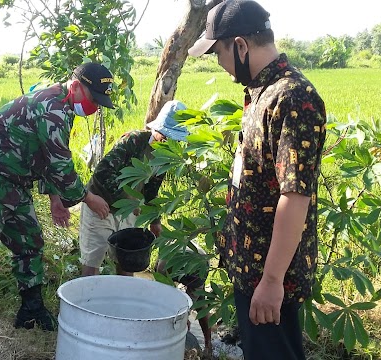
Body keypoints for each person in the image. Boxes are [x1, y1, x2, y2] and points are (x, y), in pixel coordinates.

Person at [188, 1, 327, 359]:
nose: (219, 62)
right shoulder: (260, 92)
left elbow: (295, 196)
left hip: (269, 274)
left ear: (240, 45)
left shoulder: (293, 98)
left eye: (218, 51)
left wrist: (271, 281)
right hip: (251, 267)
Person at [0, 62, 113, 360]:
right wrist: (88, 198)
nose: (94, 108)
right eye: (93, 98)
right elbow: (61, 165)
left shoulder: (63, 107)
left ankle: (31, 308)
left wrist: (54, 198)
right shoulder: (51, 108)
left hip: (14, 180)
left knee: (30, 242)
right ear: (76, 86)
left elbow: (44, 154)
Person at [79, 100, 188, 277]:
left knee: (128, 262)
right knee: (92, 263)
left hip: (128, 210)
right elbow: (103, 172)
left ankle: (125, 302)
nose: (169, 142)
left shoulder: (167, 157)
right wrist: (126, 202)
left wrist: (154, 219)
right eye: (166, 137)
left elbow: (152, 189)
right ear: (158, 130)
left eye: (175, 140)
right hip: (100, 204)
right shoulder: (134, 140)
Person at [154, 242, 213, 354]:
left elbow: (190, 302)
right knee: (162, 306)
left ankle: (208, 345)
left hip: (199, 260)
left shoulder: (199, 269)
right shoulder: (164, 266)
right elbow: (163, 296)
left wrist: (185, 315)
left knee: (200, 304)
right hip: (171, 260)